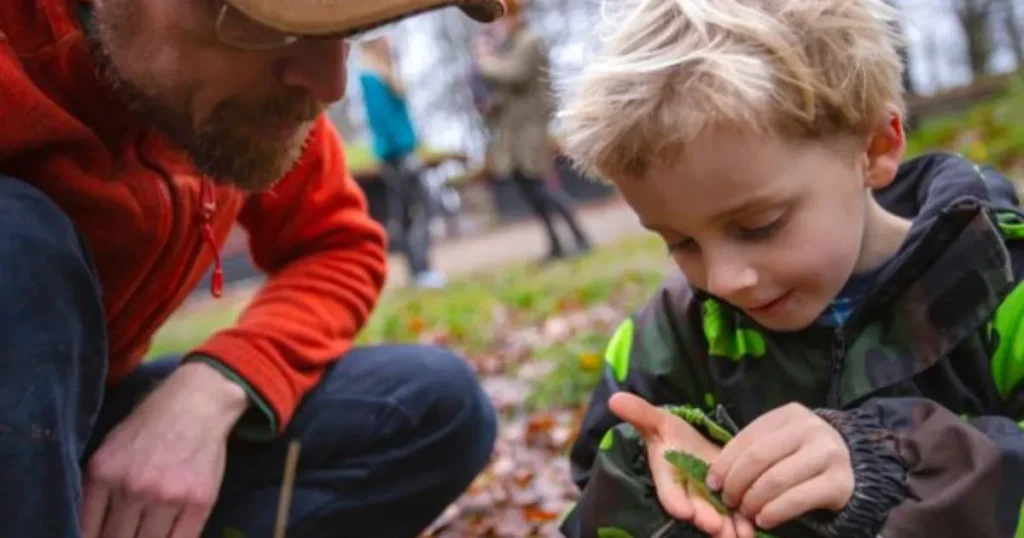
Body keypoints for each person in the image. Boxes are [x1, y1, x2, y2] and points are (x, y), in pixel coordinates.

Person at [0, 0, 505, 536]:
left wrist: (213, 389)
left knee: (432, 406)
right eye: (272, 26)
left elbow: (338, 244)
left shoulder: (229, 102)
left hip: (82, 430)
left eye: (348, 29)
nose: (331, 84)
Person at [554, 0, 1024, 537]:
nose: (725, 279)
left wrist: (890, 464)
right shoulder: (671, 333)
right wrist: (656, 472)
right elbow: (593, 480)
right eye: (680, 242)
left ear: (874, 148)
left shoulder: (1002, 287)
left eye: (759, 226)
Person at [472, 0, 593, 263]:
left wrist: (485, 61)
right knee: (529, 191)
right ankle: (556, 244)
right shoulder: (511, 46)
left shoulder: (529, 41)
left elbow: (515, 73)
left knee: (543, 188)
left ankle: (581, 237)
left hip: (530, 132)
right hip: (513, 134)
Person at [359, 35, 448, 289]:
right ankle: (420, 270)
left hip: (403, 150)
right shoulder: (370, 77)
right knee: (419, 210)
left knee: (410, 212)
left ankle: (420, 271)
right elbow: (381, 120)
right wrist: (400, 153)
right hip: (397, 155)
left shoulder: (385, 74)